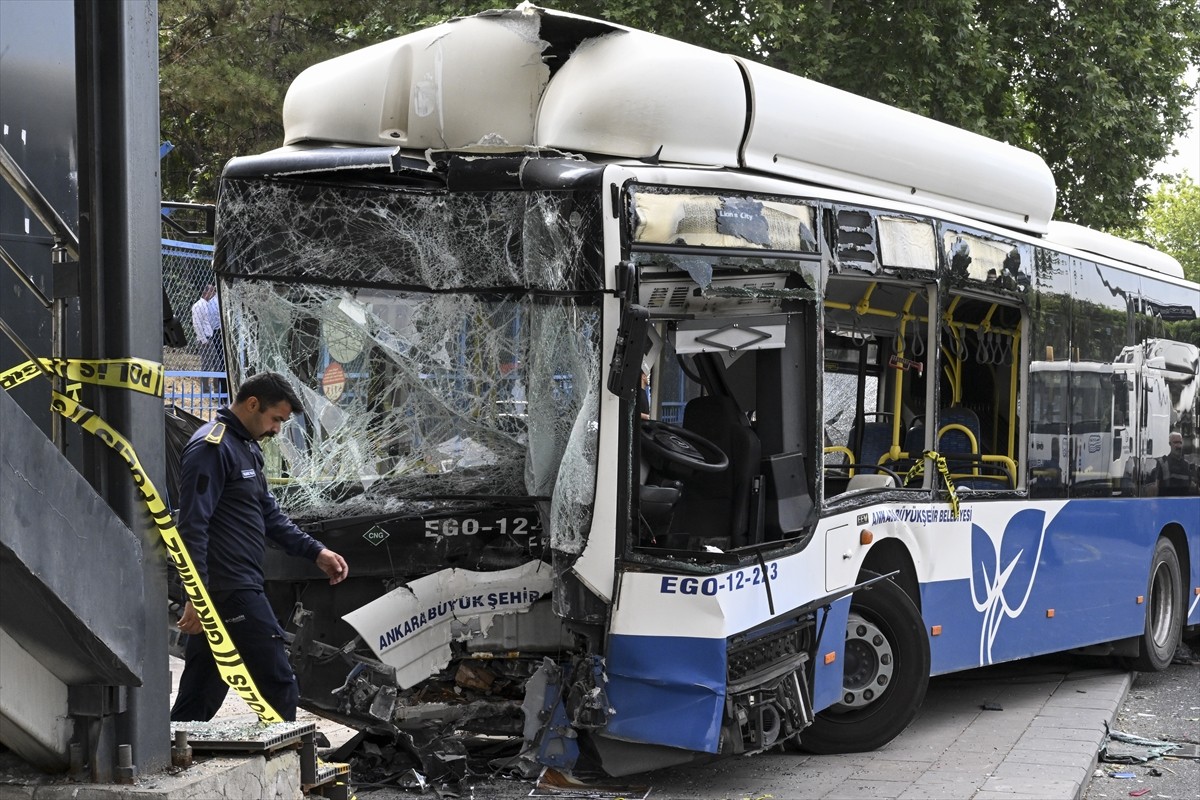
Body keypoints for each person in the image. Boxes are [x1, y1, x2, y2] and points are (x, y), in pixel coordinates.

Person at [170, 371, 349, 722]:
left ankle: (178, 750)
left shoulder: (245, 447)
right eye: (276, 419)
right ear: (253, 404)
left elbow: (269, 515)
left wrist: (316, 551)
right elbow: (192, 525)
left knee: (201, 689)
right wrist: (197, 594)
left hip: (235, 584)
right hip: (228, 588)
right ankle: (292, 766)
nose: (277, 429)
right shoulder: (213, 448)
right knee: (278, 681)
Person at [1157, 432, 1199, 496]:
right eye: (1175, 442)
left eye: (1180, 442)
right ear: (1170, 444)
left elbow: (1193, 488)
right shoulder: (1162, 463)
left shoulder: (1187, 465)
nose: (1179, 445)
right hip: (1167, 503)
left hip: (1184, 504)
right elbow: (1155, 489)